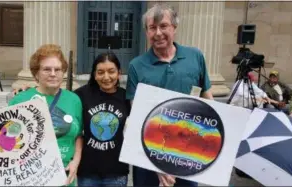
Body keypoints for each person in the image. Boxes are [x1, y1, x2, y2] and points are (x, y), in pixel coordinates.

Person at [125, 3, 213, 187]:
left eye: (163, 26)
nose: (158, 33)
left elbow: (208, 99)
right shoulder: (136, 65)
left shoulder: (195, 56)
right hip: (150, 156)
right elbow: (139, 117)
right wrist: (158, 164)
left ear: (175, 28)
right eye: (152, 27)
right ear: (146, 32)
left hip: (188, 152)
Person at [0, 44, 83, 186]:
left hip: (65, 178)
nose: (53, 73)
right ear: (36, 73)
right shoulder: (20, 100)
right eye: (47, 69)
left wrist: (75, 162)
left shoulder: (74, 100)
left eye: (58, 69)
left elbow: (78, 135)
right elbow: (3, 136)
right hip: (31, 178)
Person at [74, 52, 130, 186]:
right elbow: (60, 101)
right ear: (94, 74)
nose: (106, 77)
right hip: (87, 172)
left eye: (111, 71)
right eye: (100, 72)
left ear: (119, 73)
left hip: (117, 172)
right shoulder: (81, 95)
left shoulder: (126, 97)